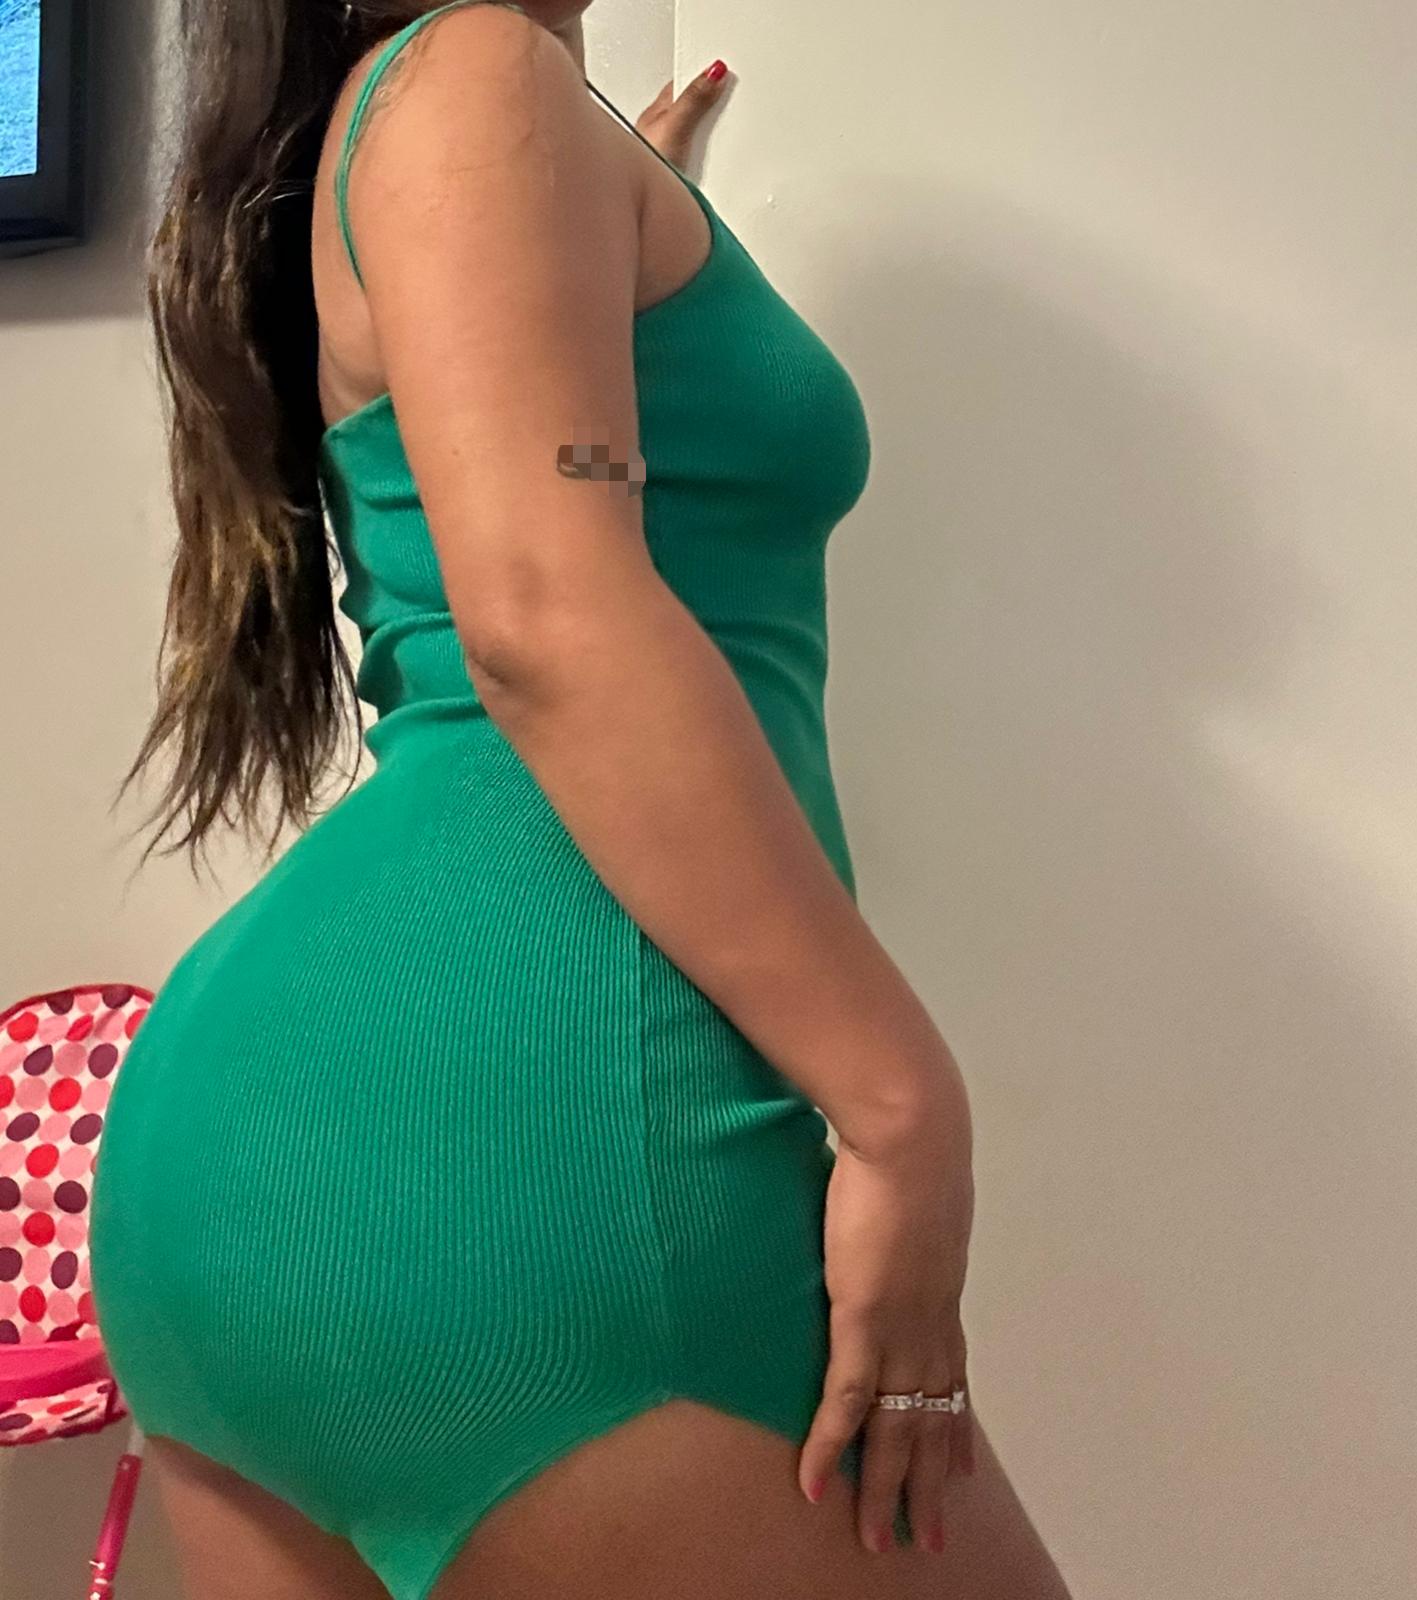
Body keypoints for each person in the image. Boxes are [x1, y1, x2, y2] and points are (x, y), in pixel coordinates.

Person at [88, 4, 1074, 1598]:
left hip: (254, 1164)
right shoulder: (472, 76)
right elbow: (548, 623)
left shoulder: (435, 112)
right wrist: (904, 1119)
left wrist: (620, 187)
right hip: (538, 1132)